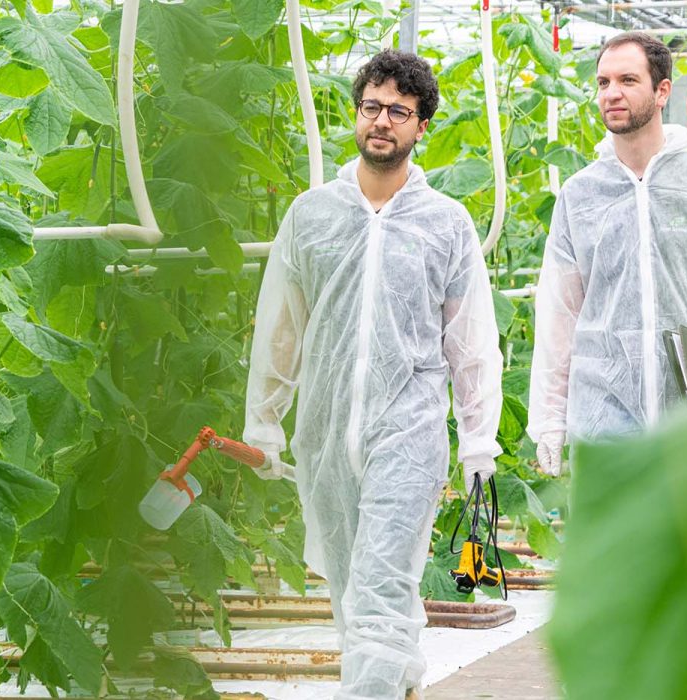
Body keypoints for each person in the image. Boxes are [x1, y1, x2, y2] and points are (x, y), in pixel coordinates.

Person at [242, 50, 503, 700]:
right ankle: (399, 674)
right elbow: (281, 327)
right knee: (350, 586)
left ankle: (373, 690)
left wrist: (479, 438)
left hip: (408, 430)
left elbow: (470, 342)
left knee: (382, 576)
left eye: (398, 111)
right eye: (371, 107)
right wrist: (264, 421)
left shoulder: (446, 224)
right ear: (357, 114)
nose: (381, 121)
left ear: (420, 127)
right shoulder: (311, 216)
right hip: (325, 433)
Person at [528, 32, 687, 476]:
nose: (611, 93)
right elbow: (559, 314)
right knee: (614, 544)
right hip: (604, 417)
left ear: (662, 91)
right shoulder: (580, 196)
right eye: (603, 83)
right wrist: (548, 419)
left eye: (627, 80)